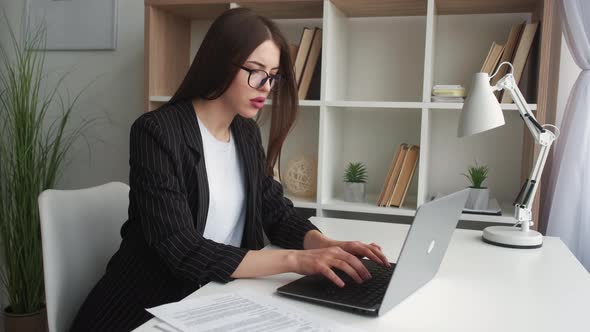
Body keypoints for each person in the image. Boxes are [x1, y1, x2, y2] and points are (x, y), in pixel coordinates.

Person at [71, 8, 390, 331]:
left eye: (273, 76)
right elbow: (182, 248)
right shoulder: (156, 132)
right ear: (220, 63)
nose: (266, 86)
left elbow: (275, 212)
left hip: (216, 300)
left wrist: (327, 245)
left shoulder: (245, 133)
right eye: (255, 71)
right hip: (146, 311)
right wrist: (297, 260)